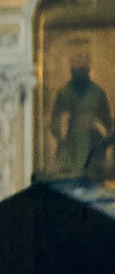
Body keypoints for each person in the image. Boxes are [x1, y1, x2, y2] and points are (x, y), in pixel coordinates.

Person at [47, 46, 110, 179]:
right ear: (71, 68)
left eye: (83, 64)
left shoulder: (97, 92)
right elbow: (55, 123)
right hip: (70, 143)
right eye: (77, 64)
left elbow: (107, 122)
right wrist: (61, 138)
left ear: (88, 68)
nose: (80, 67)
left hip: (92, 142)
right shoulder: (64, 93)